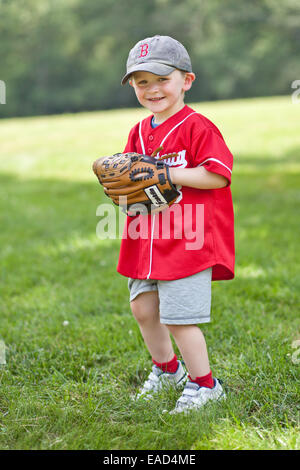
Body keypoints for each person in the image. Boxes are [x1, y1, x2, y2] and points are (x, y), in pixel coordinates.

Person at [117, 35, 235, 414]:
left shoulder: (198, 127)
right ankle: (167, 371)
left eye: (162, 79)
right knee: (144, 310)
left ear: (187, 80)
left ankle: (206, 384)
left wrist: (169, 172)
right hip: (145, 236)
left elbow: (217, 175)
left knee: (180, 318)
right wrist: (124, 194)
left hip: (188, 239)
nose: (152, 89)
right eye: (142, 82)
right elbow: (132, 181)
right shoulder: (137, 132)